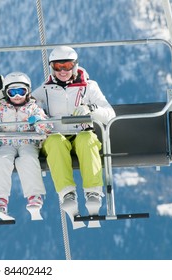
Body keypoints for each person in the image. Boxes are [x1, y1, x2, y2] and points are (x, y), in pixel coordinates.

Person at [32, 46, 116, 229]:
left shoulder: (89, 87)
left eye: (67, 66)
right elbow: (22, 105)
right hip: (57, 135)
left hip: (81, 133)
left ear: (75, 66)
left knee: (87, 139)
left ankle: (93, 193)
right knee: (54, 142)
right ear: (51, 68)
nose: (62, 71)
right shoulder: (45, 90)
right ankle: (67, 194)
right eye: (57, 66)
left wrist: (91, 110)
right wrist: (37, 116)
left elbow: (110, 114)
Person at [0, 72, 53, 221]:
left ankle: (34, 196)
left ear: (28, 92)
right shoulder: (1, 109)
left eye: (21, 91)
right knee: (1, 160)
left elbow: (47, 128)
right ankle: (0, 199)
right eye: (12, 92)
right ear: (6, 94)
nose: (17, 96)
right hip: (6, 143)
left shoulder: (33, 108)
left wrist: (37, 122)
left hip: (28, 142)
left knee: (27, 158)